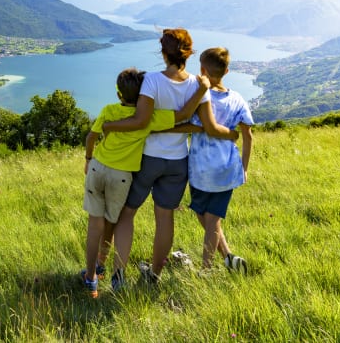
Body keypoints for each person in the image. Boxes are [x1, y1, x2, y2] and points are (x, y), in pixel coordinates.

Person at [103, 28, 237, 291]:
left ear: (164, 53)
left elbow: (142, 120)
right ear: (188, 54)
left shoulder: (152, 80)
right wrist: (232, 134)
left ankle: (118, 275)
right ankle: (154, 275)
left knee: (127, 213)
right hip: (178, 162)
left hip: (148, 159)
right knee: (165, 218)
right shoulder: (200, 86)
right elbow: (208, 126)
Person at [80, 66, 208, 298]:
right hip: (125, 174)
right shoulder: (148, 118)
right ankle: (125, 274)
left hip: (99, 167)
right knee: (122, 219)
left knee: (99, 224)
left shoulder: (109, 110)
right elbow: (181, 116)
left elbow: (91, 136)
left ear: (119, 94)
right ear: (142, 97)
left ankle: (92, 276)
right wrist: (201, 90)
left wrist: (88, 158)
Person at [188, 47, 254, 274]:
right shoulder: (237, 99)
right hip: (226, 170)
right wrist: (244, 168)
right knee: (210, 219)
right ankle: (227, 257)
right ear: (227, 70)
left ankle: (206, 269)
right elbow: (248, 135)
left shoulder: (198, 95)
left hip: (199, 169)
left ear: (202, 69)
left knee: (208, 217)